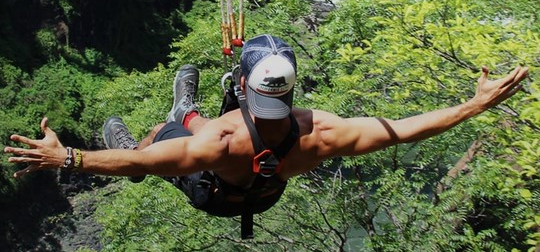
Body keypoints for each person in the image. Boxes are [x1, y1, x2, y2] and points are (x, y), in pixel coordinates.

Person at [4, 34, 529, 238]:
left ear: (241, 85)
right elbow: (405, 130)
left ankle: (177, 112)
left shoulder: (222, 140)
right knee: (198, 132)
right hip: (265, 193)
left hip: (215, 190)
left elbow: (142, 168)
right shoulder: (322, 131)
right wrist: (474, 104)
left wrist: (69, 157)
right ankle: (185, 108)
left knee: (157, 144)